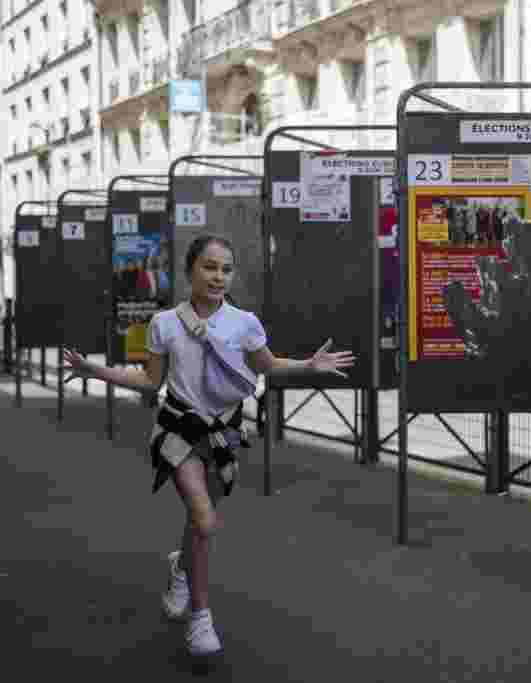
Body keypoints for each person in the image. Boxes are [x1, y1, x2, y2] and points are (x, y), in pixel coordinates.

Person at [61, 234, 355, 658]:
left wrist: (309, 364)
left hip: (224, 434)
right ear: (190, 271)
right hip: (177, 428)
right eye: (210, 267)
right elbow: (150, 381)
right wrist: (95, 370)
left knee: (201, 521)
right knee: (202, 515)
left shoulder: (244, 323)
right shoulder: (164, 324)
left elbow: (267, 366)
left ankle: (181, 568)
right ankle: (201, 619)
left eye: (226, 269)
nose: (219, 276)